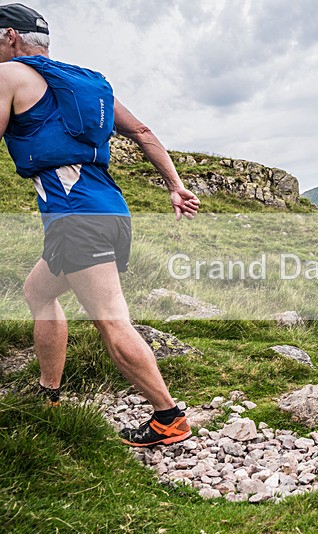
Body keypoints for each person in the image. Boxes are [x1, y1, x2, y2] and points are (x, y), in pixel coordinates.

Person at [0, 4, 199, 447]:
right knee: (38, 292)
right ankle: (49, 393)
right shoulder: (88, 83)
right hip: (109, 211)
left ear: (10, 36)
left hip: (77, 217)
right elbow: (143, 130)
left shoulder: (10, 75)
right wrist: (175, 186)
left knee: (111, 321)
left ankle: (168, 418)